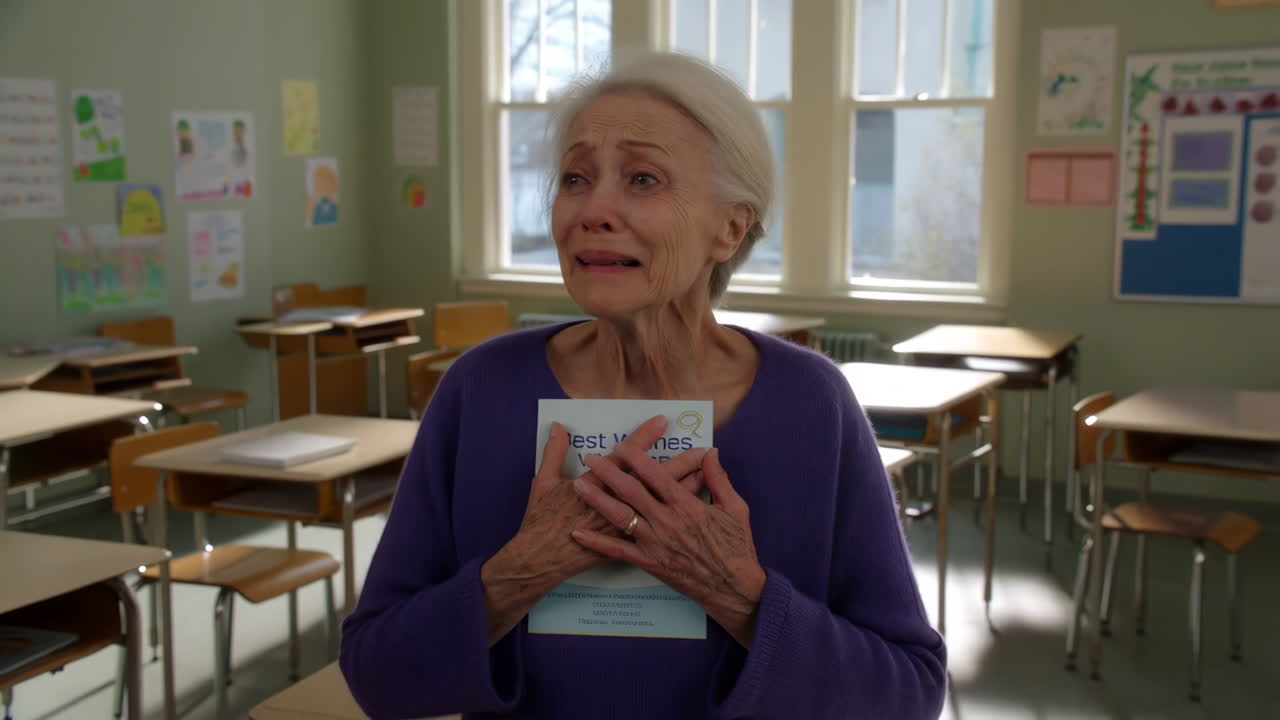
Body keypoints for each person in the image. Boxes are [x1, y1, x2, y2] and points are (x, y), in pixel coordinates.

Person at [340, 51, 946, 719]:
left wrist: (744, 599)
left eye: (643, 179)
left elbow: (908, 693)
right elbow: (376, 674)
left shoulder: (812, 403)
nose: (593, 208)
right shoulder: (481, 390)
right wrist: (517, 574)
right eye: (575, 177)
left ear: (731, 227)